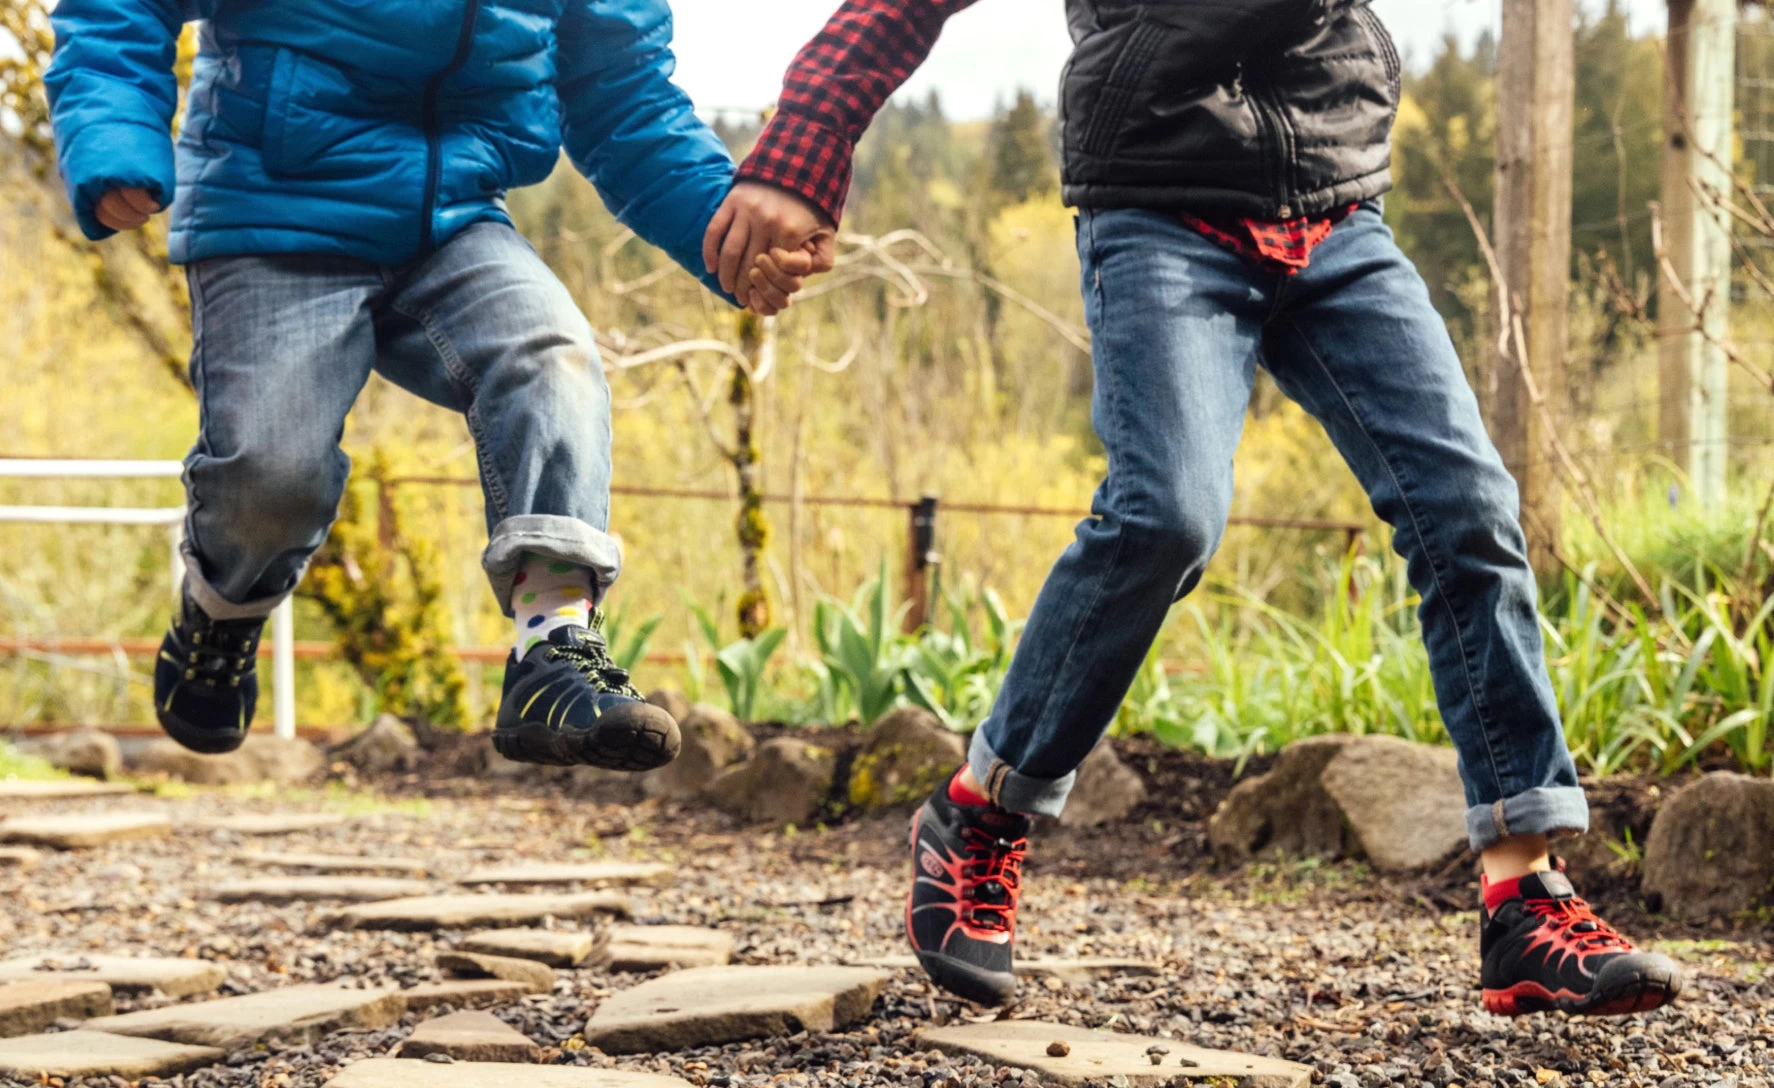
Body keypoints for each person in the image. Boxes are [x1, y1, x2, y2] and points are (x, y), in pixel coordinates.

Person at [706, 0, 1684, 1017]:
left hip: (1335, 201)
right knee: (1165, 512)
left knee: (1468, 508)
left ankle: (1522, 893)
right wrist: (803, 141)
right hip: (1160, 201)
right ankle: (982, 813)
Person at [46, 0, 811, 770]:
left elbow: (622, 94)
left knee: (552, 357)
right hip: (273, 203)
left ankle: (554, 649)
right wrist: (113, 135)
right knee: (274, 471)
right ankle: (221, 615)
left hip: (455, 217)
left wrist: (726, 231)